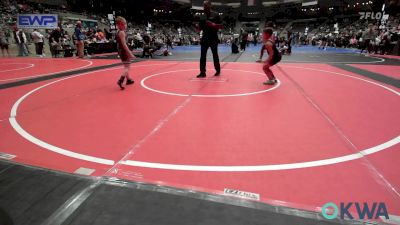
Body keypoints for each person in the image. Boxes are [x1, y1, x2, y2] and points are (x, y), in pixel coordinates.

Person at [197, 0, 223, 78]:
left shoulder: (215, 15)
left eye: (205, 5)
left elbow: (221, 26)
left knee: (215, 55)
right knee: (202, 56)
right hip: (205, 38)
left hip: (213, 38)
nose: (204, 7)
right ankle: (202, 72)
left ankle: (218, 70)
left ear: (210, 6)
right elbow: (199, 29)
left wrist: (212, 24)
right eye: (204, 5)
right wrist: (198, 27)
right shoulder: (202, 16)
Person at [115, 16, 135, 90]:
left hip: (121, 51)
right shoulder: (122, 32)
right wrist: (129, 53)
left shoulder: (118, 32)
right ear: (120, 25)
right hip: (124, 51)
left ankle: (128, 79)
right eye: (124, 24)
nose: (126, 25)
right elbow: (124, 44)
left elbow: (119, 44)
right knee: (127, 67)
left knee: (125, 66)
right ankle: (120, 81)